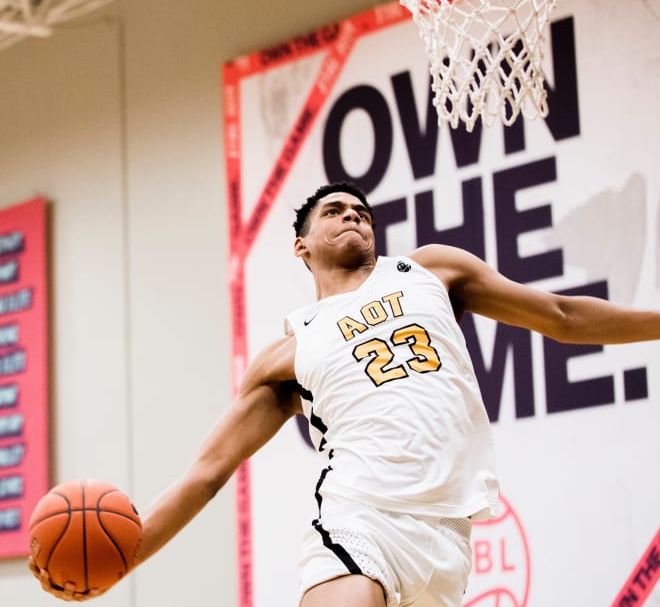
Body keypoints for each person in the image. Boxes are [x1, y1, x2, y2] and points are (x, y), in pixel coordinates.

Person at [30, 182, 660, 605]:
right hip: (360, 519)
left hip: (448, 538)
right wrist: (120, 559)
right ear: (301, 246)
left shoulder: (431, 270)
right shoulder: (288, 352)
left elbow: (562, 314)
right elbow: (206, 474)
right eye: (334, 211)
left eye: (361, 211)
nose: (353, 215)